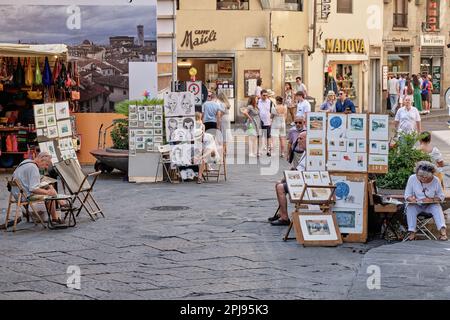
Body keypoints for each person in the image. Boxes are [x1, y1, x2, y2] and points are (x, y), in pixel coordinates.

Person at [11, 152, 65, 225]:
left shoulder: (25, 162)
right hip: (25, 196)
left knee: (49, 186)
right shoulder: (33, 168)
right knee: (50, 195)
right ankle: (55, 218)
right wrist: (48, 193)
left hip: (17, 194)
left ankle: (61, 203)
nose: (46, 167)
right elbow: (33, 189)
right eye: (47, 164)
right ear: (42, 160)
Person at [271, 131, 307, 226]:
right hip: (301, 179)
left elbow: (299, 172)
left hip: (305, 184)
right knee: (278, 184)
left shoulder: (309, 154)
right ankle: (282, 213)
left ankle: (284, 218)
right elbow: (297, 168)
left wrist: (286, 178)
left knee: (280, 187)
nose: (298, 140)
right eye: (298, 138)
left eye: (301, 138)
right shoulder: (306, 152)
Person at [404, 161, 447, 241]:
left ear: (431, 175)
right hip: (417, 204)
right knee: (410, 207)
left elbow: (441, 196)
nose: (423, 179)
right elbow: (407, 195)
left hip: (430, 205)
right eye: (420, 176)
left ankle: (443, 233)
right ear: (416, 173)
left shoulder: (436, 180)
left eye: (426, 177)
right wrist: (412, 199)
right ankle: (412, 233)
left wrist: (432, 199)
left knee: (437, 207)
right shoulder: (412, 178)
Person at [258, 89, 274, 157]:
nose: (265, 97)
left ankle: (268, 150)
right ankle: (259, 151)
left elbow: (272, 111)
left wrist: (271, 120)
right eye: (264, 95)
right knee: (260, 136)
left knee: (268, 137)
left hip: (267, 121)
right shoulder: (258, 101)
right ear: (261, 95)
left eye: (266, 95)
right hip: (260, 121)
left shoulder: (270, 102)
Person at [217, 92, 232, 157]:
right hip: (227, 118)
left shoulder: (222, 104)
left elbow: (221, 113)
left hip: (223, 119)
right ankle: (225, 150)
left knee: (223, 134)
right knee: (225, 134)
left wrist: (218, 119)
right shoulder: (227, 103)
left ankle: (224, 151)